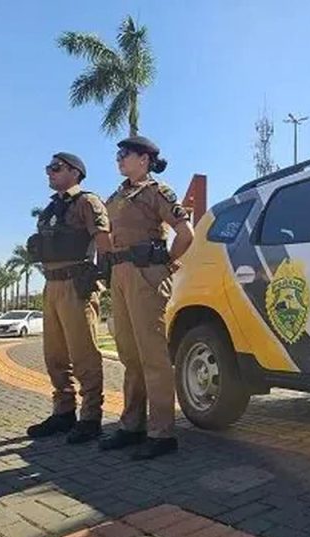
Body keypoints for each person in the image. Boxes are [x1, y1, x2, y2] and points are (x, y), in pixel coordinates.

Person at [98, 136, 194, 460]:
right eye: (118, 154)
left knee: (153, 356)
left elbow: (185, 233)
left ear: (144, 159)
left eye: (125, 154)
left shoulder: (157, 192)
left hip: (145, 275)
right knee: (130, 355)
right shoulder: (115, 197)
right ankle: (132, 426)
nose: (119, 159)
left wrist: (167, 266)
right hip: (120, 275)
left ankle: (162, 432)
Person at [25, 152, 113, 444]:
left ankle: (90, 417)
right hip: (51, 287)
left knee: (83, 353)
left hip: (77, 285)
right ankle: (63, 413)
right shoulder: (50, 208)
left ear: (75, 172)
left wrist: (101, 275)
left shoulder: (87, 201)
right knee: (55, 356)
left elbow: (103, 240)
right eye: (48, 168)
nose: (49, 172)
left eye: (55, 168)